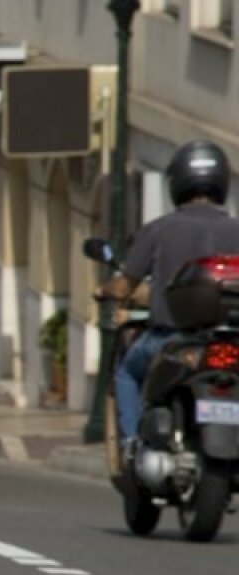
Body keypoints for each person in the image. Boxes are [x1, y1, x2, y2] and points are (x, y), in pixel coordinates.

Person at [101, 139, 239, 454]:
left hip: (171, 340)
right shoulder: (236, 229)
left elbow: (124, 287)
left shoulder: (158, 230)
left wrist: (104, 290)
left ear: (177, 182)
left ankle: (132, 444)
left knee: (126, 371)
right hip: (231, 341)